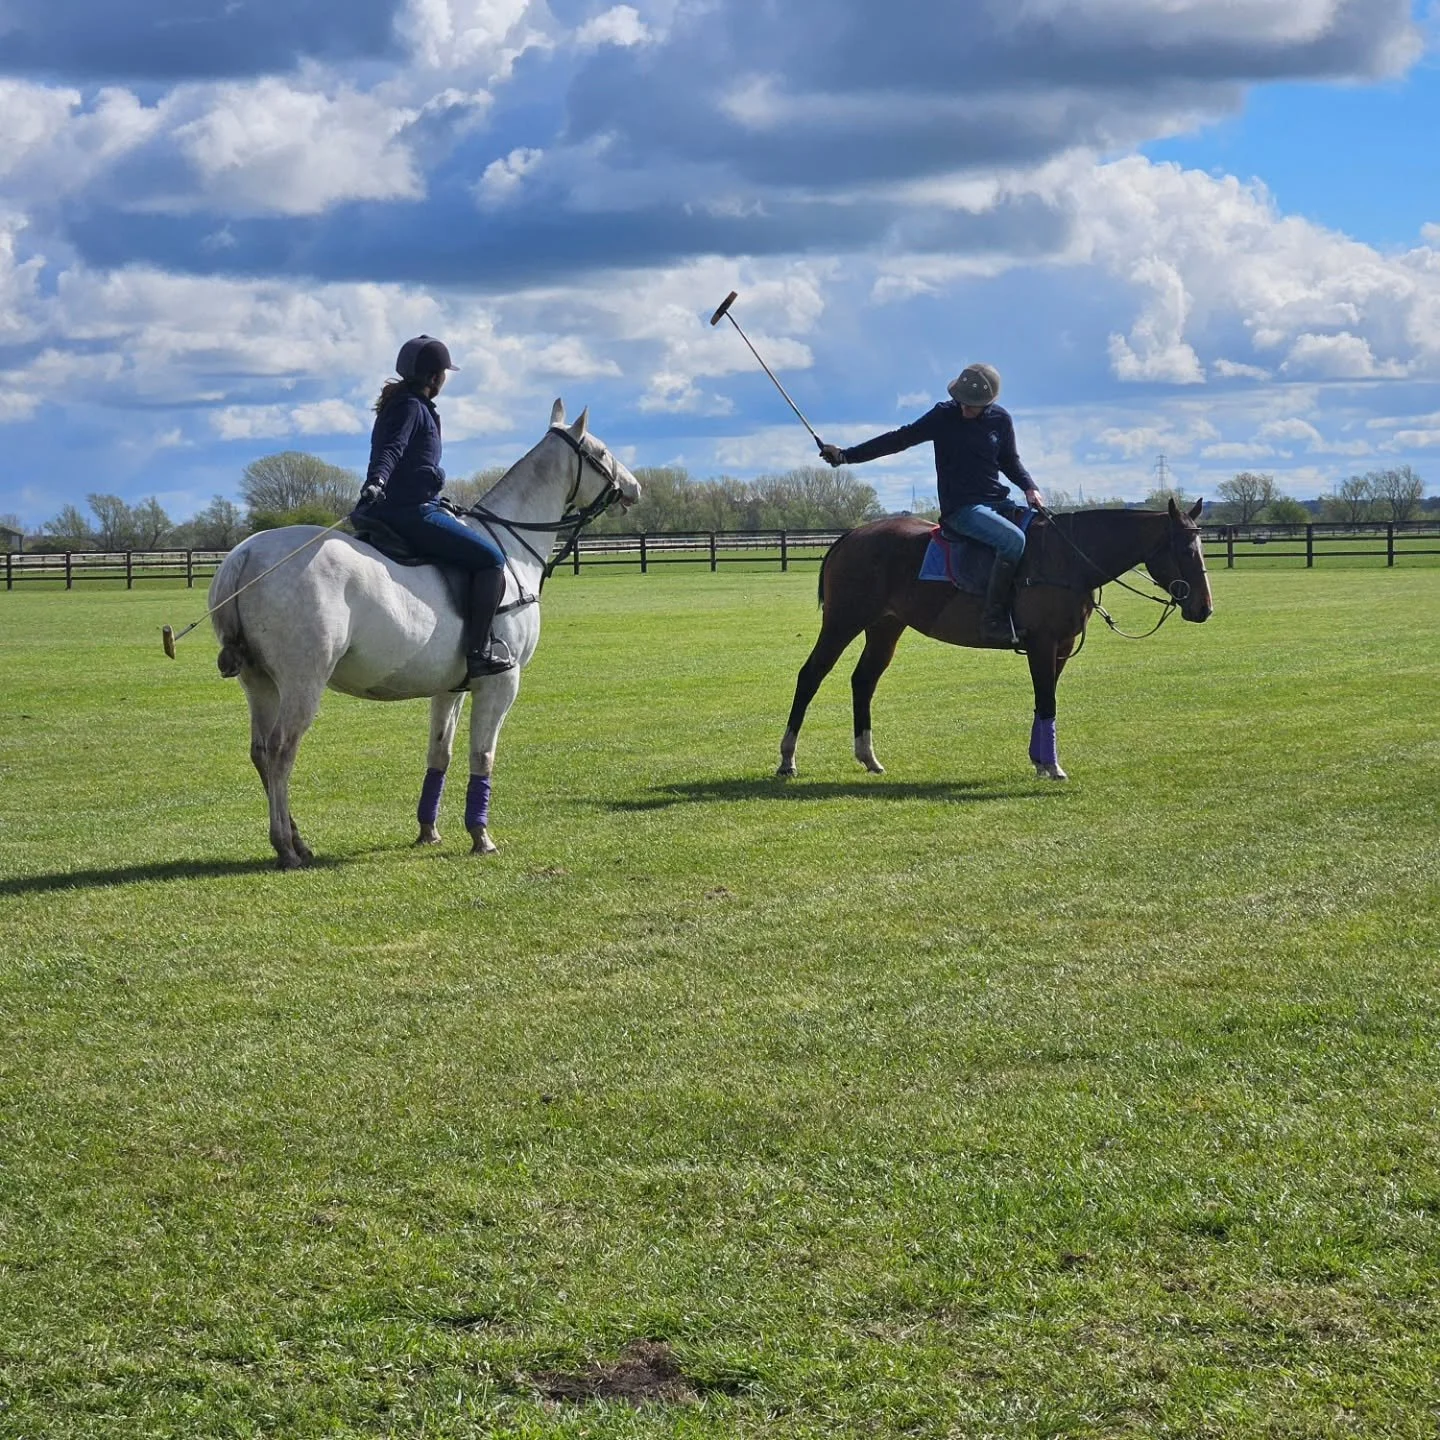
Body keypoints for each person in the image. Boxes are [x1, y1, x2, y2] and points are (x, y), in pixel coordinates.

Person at [820, 363, 1045, 645]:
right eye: (961, 402)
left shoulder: (1000, 419)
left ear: (988, 403)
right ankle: (993, 619)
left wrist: (1029, 486)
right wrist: (846, 456)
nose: (964, 409)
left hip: (999, 503)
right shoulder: (943, 415)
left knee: (1041, 533)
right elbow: (899, 439)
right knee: (1013, 542)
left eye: (972, 405)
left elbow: (1010, 460)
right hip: (963, 510)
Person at [355, 334, 515, 683]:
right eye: (442, 371)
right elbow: (393, 450)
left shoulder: (402, 403)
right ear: (432, 376)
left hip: (408, 504)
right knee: (491, 560)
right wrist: (378, 480)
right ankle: (477, 653)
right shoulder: (411, 406)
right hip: (410, 512)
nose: (444, 378)